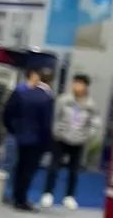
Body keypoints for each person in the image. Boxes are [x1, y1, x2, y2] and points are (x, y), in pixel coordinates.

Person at [41, 72, 101, 210]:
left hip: (79, 141)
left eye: (79, 84)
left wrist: (87, 136)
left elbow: (95, 123)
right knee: (54, 167)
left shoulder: (91, 104)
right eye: (75, 83)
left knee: (74, 170)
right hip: (61, 138)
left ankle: (69, 196)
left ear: (85, 86)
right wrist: (56, 132)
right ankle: (48, 194)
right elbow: (55, 117)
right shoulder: (64, 100)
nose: (76, 86)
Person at [3, 66, 54, 211]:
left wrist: (13, 129)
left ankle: (14, 196)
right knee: (28, 170)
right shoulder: (47, 98)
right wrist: (47, 144)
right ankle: (21, 199)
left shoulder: (22, 93)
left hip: (19, 136)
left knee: (17, 167)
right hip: (36, 139)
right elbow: (46, 123)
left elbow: (7, 113)